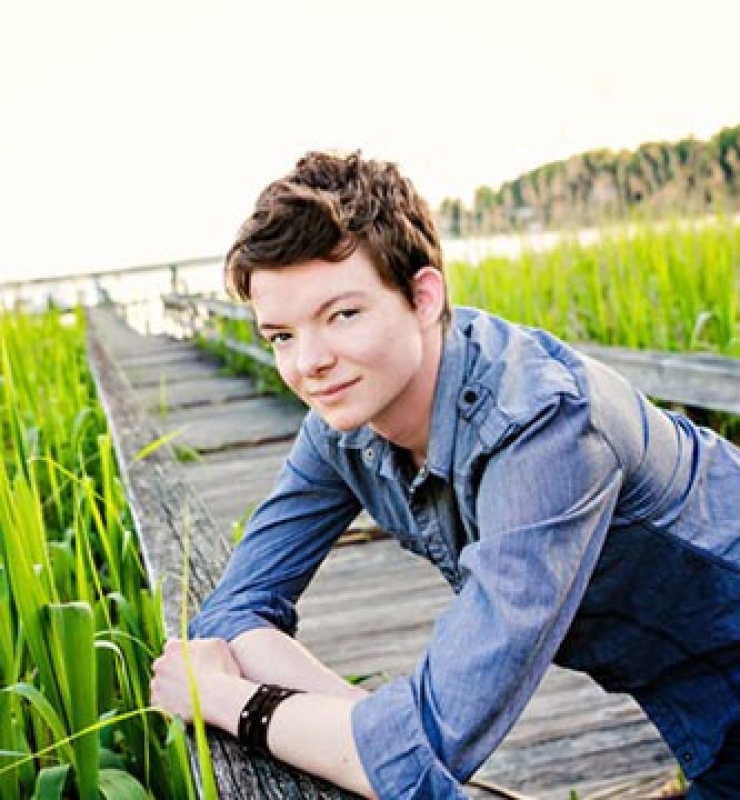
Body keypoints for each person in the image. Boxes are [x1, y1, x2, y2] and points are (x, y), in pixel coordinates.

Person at [150, 151, 740, 800]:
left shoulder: (543, 428)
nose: (310, 363)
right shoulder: (344, 425)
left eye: (342, 315)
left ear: (423, 296)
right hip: (695, 701)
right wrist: (364, 731)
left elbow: (422, 748)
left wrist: (234, 702)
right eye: (281, 336)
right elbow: (230, 613)